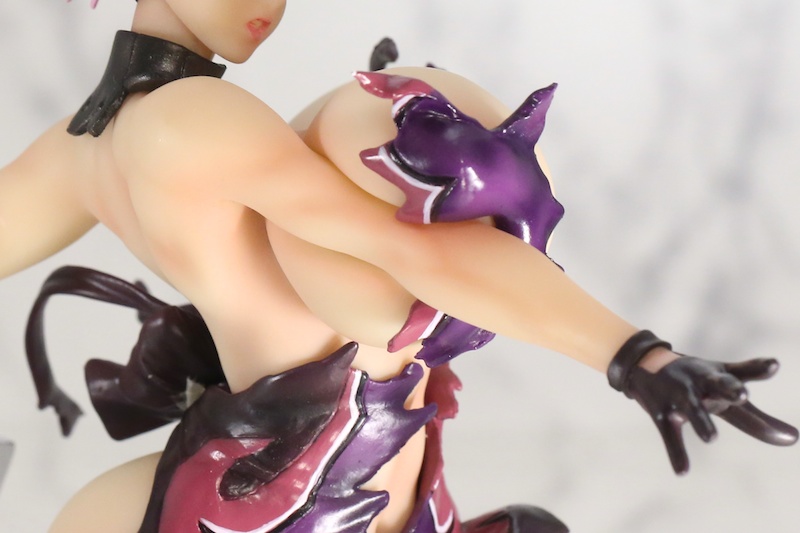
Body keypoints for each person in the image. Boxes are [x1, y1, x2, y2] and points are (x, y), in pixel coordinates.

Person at [0, 1, 795, 531]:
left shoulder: (80, 146)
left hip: (260, 467)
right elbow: (408, 248)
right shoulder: (193, 118)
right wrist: (633, 354)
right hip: (317, 483)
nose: (269, 7)